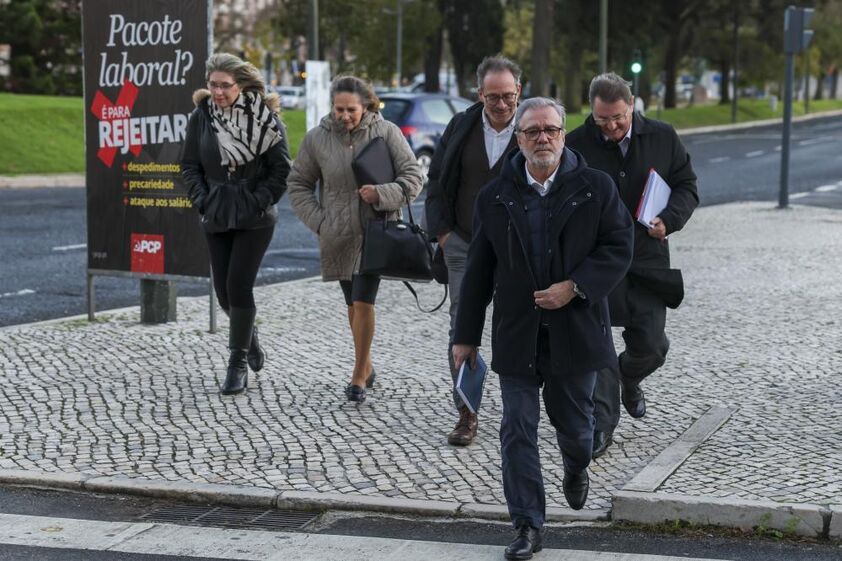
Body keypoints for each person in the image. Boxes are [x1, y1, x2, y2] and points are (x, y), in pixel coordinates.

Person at [452, 97, 633, 560]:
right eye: (532, 131)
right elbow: (478, 269)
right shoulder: (495, 195)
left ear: (563, 134)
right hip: (517, 333)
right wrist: (465, 335)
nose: (542, 138)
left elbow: (618, 247)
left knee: (576, 430)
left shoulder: (596, 187)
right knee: (517, 430)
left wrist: (574, 287)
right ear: (519, 139)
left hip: (575, 330)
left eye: (550, 129)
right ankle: (527, 525)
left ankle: (577, 466)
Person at [566, 72, 699, 459]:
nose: (610, 127)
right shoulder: (575, 144)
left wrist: (668, 220)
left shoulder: (662, 136)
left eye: (618, 118)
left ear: (632, 106)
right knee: (600, 348)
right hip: (597, 262)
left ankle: (630, 377)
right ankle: (601, 428)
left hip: (647, 259)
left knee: (653, 345)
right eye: (601, 119)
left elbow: (688, 186)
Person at [287, 76, 423, 403]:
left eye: (351, 110)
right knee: (351, 304)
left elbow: (414, 178)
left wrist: (381, 193)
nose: (345, 116)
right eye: (339, 109)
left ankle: (358, 375)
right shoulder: (317, 139)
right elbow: (298, 184)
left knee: (364, 300)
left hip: (375, 232)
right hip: (337, 236)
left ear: (366, 106)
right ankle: (367, 362)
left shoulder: (386, 132)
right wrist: (320, 222)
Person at [424, 55, 522, 446]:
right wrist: (443, 233)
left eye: (509, 97)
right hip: (463, 241)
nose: (501, 105)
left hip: (517, 249)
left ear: (520, 92)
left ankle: (522, 405)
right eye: (493, 97)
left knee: (516, 325)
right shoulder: (461, 125)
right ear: (480, 93)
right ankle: (466, 411)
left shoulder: (533, 129)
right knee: (462, 328)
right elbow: (437, 181)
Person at [182, 53, 291, 395]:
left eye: (224, 86)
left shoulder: (266, 119)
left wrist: (257, 201)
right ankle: (249, 337)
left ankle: (237, 364)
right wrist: (202, 199)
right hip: (215, 211)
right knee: (223, 293)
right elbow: (189, 166)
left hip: (254, 216)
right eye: (212, 84)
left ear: (240, 85)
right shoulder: (201, 117)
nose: (217, 92)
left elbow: (281, 170)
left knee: (239, 286)